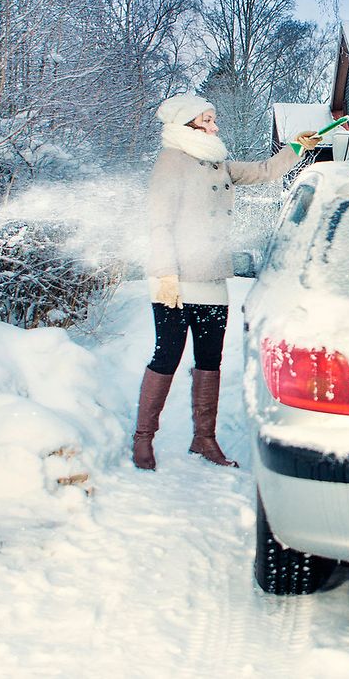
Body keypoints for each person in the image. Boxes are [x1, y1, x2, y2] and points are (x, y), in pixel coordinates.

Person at [134, 92, 321, 470]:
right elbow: (159, 223)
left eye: (213, 119)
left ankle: (204, 439)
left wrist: (296, 148)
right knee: (167, 355)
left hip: (211, 276)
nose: (215, 126)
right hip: (175, 279)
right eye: (207, 120)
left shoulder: (216, 163)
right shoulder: (172, 163)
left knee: (210, 358)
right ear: (186, 125)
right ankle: (143, 438)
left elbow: (263, 171)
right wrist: (165, 273)